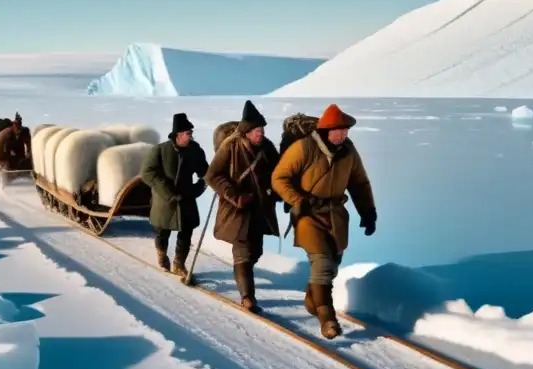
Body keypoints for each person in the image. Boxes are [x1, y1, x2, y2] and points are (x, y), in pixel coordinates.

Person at [270, 103, 376, 339]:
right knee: (322, 264)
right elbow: (279, 178)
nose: (345, 134)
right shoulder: (303, 148)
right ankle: (328, 320)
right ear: (328, 129)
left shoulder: (348, 150)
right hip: (308, 215)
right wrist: (298, 200)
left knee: (333, 265)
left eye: (347, 130)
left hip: (336, 215)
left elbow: (359, 183)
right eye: (340, 130)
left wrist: (368, 212)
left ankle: (313, 301)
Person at [204, 100, 281, 313]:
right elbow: (212, 175)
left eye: (262, 129)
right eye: (257, 130)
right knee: (243, 253)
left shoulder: (266, 147)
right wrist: (234, 195)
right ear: (246, 132)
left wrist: (276, 192)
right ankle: (248, 297)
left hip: (259, 210)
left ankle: (244, 278)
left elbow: (278, 173)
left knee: (255, 252)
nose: (260, 133)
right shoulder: (230, 146)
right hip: (237, 209)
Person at [140, 113, 209, 277]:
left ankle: (179, 263)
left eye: (191, 133)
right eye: (188, 133)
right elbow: (147, 173)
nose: (191, 135)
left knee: (187, 231)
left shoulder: (195, 150)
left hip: (186, 198)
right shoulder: (160, 150)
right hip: (165, 200)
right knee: (162, 230)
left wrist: (198, 188)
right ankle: (162, 254)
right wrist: (167, 191)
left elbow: (205, 173)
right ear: (178, 134)